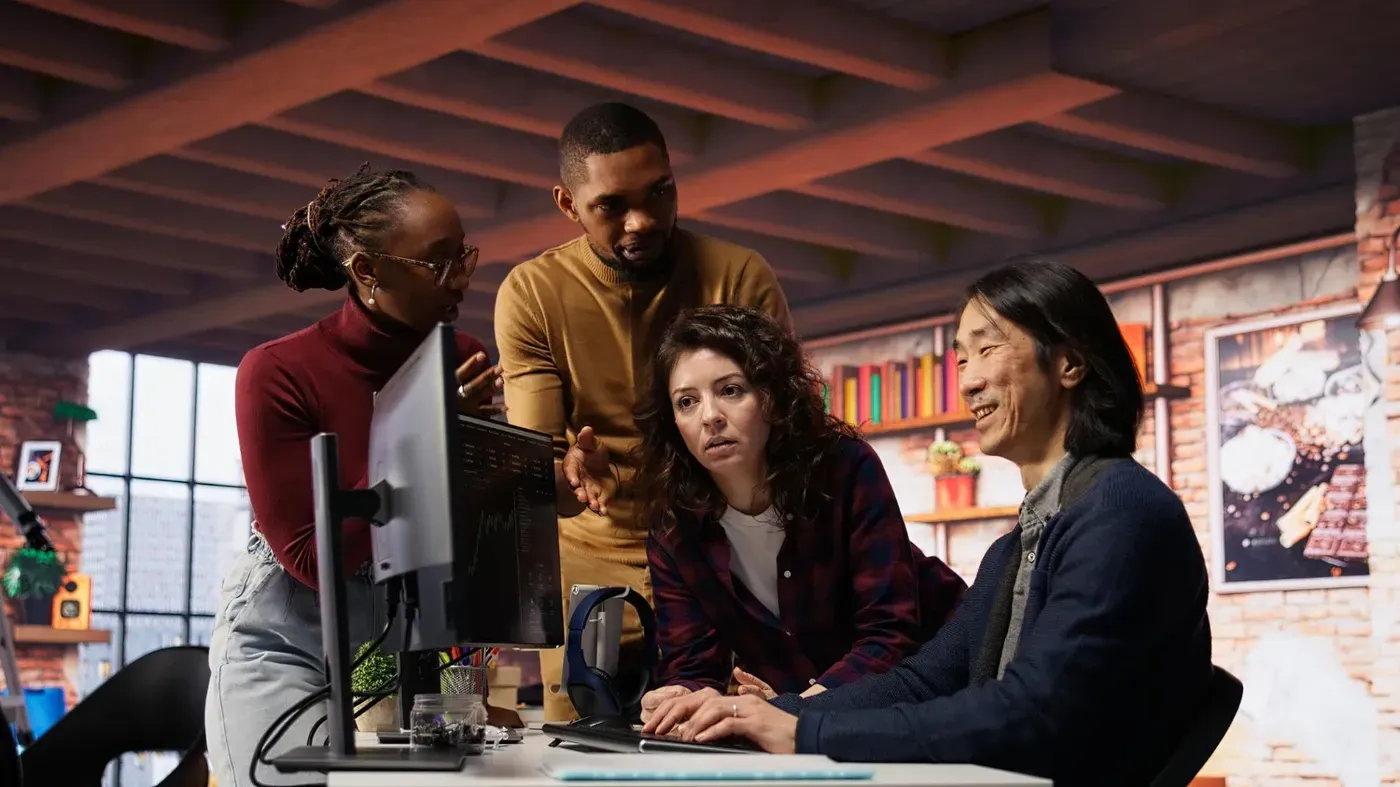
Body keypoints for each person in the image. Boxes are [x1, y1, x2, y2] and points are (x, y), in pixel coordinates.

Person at [646, 258, 1214, 786]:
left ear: (1069, 363)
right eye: (961, 358)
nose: (966, 381)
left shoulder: (1120, 511)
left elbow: (1028, 712)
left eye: (986, 350)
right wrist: (770, 713)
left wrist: (802, 729)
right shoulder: (1019, 544)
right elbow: (923, 680)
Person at [494, 102, 793, 721]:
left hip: (717, 549)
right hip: (586, 557)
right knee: (573, 745)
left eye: (660, 192)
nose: (643, 220)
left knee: (729, 742)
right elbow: (537, 470)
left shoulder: (739, 276)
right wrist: (571, 472)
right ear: (567, 204)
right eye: (611, 205)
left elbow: (782, 433)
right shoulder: (533, 293)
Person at [206, 165, 502, 787]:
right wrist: (428, 436)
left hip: (399, 644)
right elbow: (315, 559)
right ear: (368, 272)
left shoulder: (463, 356)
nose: (463, 280)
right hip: (289, 638)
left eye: (465, 256)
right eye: (439, 263)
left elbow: (482, 517)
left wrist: (560, 479)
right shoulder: (277, 371)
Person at [632, 305, 966, 720]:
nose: (710, 416)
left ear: (770, 398)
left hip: (944, 685)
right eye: (687, 402)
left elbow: (889, 635)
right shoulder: (673, 526)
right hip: (816, 720)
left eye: (731, 390)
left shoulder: (845, 469)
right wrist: (678, 696)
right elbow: (694, 662)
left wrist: (790, 713)